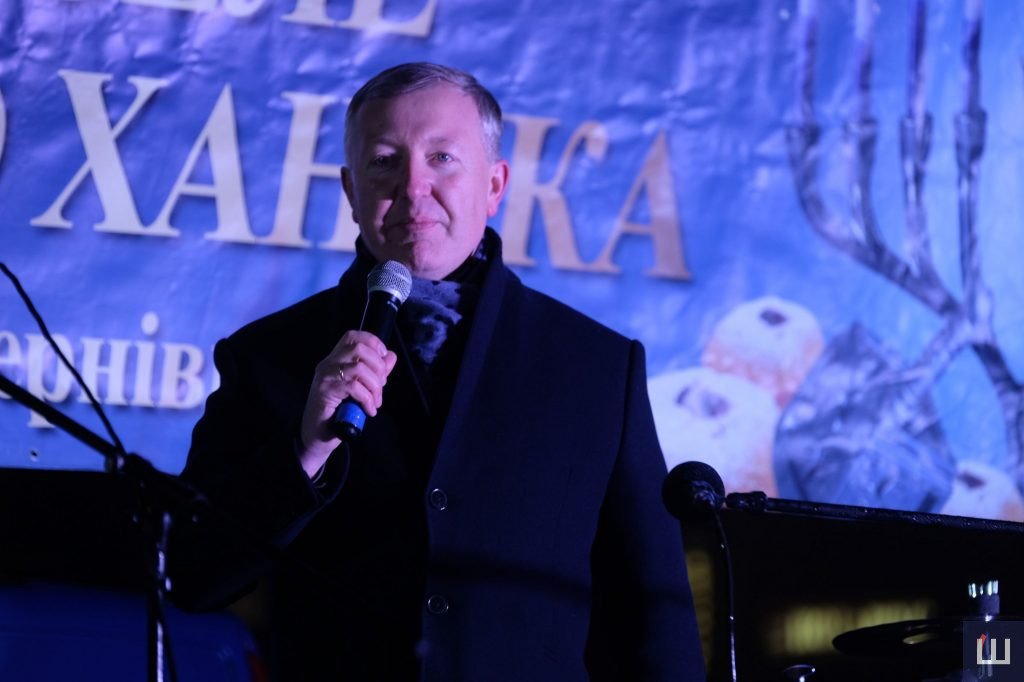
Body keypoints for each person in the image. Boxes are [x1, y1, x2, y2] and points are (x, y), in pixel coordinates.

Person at [171, 62, 705, 681]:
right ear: (350, 192)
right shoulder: (269, 355)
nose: (413, 188)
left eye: (442, 159)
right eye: (384, 162)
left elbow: (654, 616)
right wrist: (305, 451)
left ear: (495, 184)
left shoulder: (596, 366)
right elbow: (193, 574)